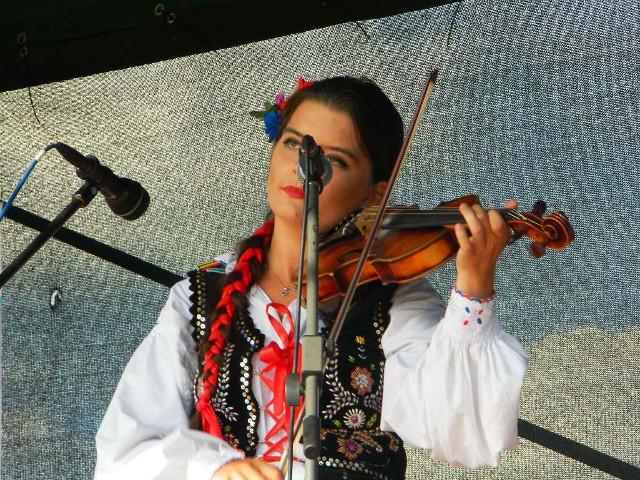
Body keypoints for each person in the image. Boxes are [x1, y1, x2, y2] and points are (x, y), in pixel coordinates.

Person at [94, 76, 528, 480]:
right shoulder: (200, 296)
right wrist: (216, 469)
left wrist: (473, 285)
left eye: (332, 160)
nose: (304, 169)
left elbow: (456, 428)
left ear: (376, 193)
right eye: (293, 145)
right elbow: (127, 449)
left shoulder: (392, 293)